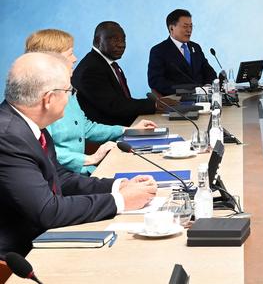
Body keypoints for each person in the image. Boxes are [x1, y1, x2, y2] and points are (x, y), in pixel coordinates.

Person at [0, 52, 157, 258]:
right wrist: (119, 201)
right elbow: (48, 211)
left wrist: (118, 185)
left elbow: (60, 179)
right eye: (69, 90)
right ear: (48, 99)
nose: (71, 96)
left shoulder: (31, 124)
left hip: (42, 236)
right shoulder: (9, 137)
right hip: (20, 255)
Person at [25, 29, 158, 174]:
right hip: (63, 177)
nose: (75, 58)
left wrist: (128, 130)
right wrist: (90, 159)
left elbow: (87, 128)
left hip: (84, 172)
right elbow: (44, 151)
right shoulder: (36, 101)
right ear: (51, 60)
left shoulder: (67, 89)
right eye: (70, 54)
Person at [72, 21, 160, 126]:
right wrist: (153, 104)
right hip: (108, 134)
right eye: (114, 39)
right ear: (97, 40)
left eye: (123, 39)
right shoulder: (91, 69)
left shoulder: (109, 64)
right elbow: (114, 106)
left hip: (123, 125)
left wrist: (154, 104)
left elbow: (122, 101)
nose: (122, 45)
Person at [148, 9, 217, 96]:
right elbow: (155, 81)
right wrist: (186, 90)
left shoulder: (195, 47)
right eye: (185, 26)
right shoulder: (159, 51)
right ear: (171, 28)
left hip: (203, 98)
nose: (189, 30)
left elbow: (209, 71)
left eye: (191, 26)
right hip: (177, 101)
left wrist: (207, 86)